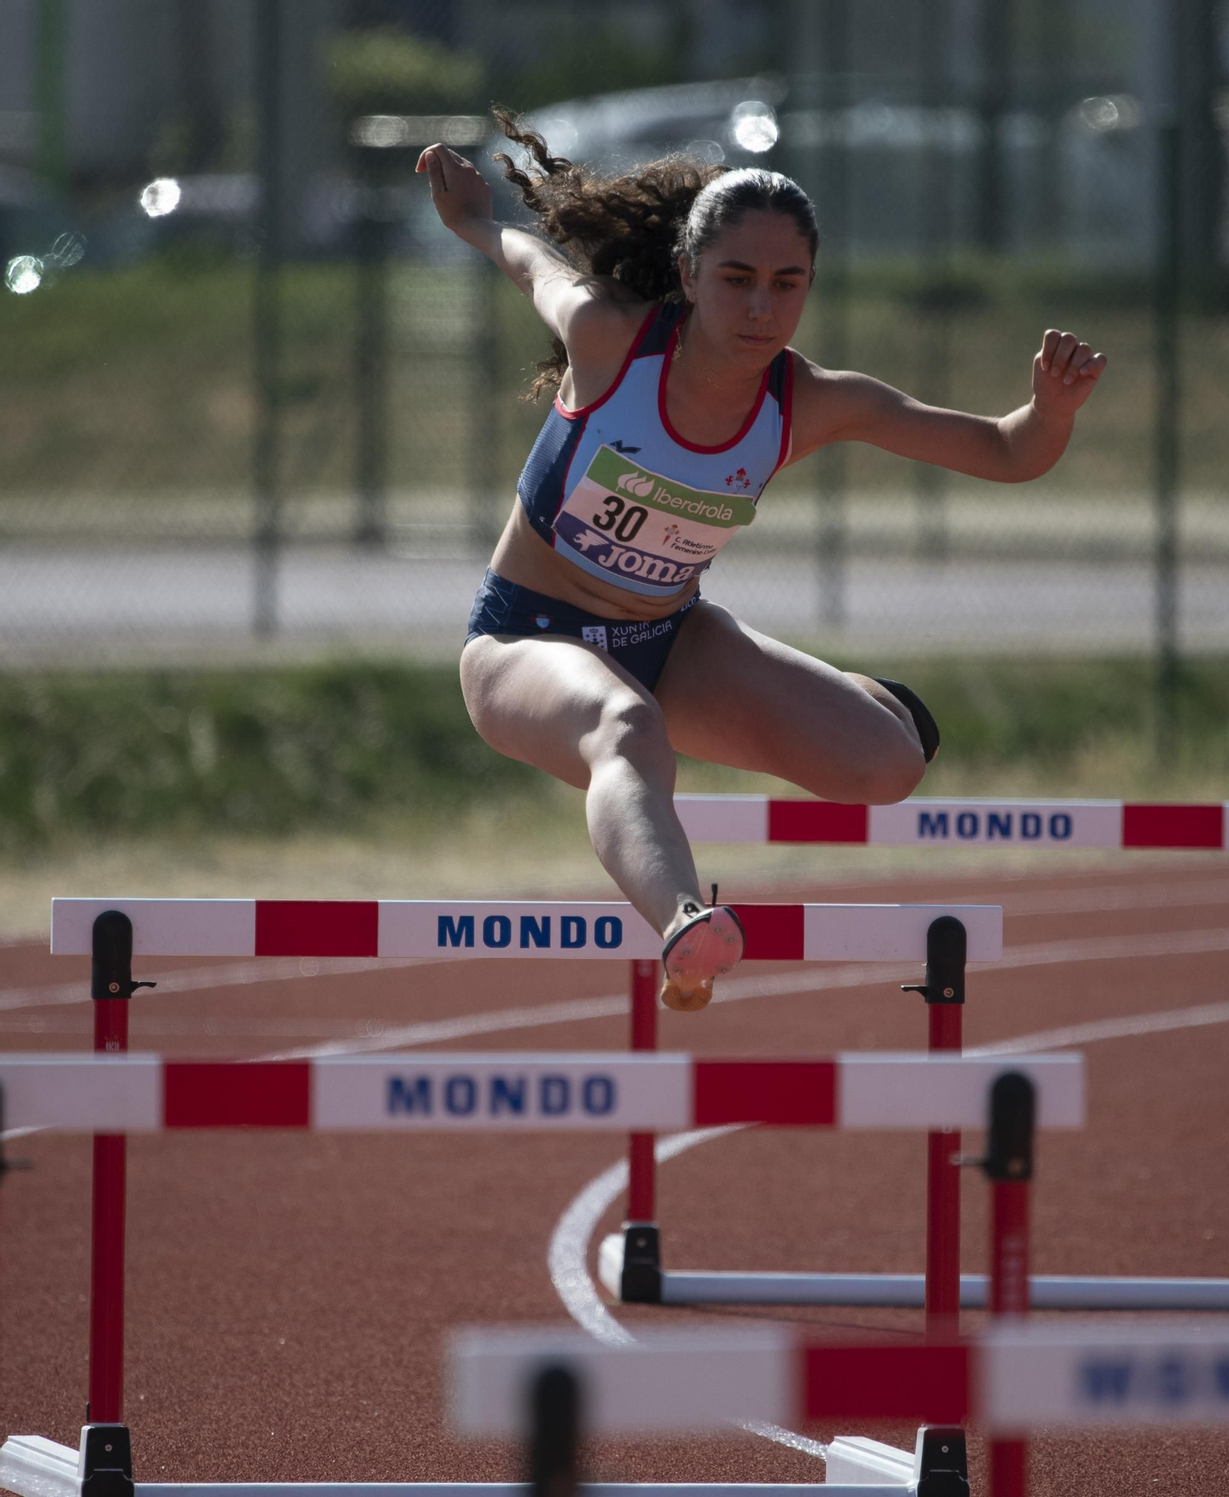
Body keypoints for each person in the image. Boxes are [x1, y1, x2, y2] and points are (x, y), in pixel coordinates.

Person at [416, 112, 1106, 1011]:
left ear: (810, 288)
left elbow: (1007, 453)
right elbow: (530, 262)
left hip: (672, 640)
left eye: (787, 284)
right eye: (736, 279)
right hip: (524, 641)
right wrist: (474, 217)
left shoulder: (811, 401)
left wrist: (1050, 411)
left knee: (886, 768)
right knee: (624, 728)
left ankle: (867, 701)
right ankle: (683, 928)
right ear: (689, 277)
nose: (760, 307)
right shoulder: (609, 338)